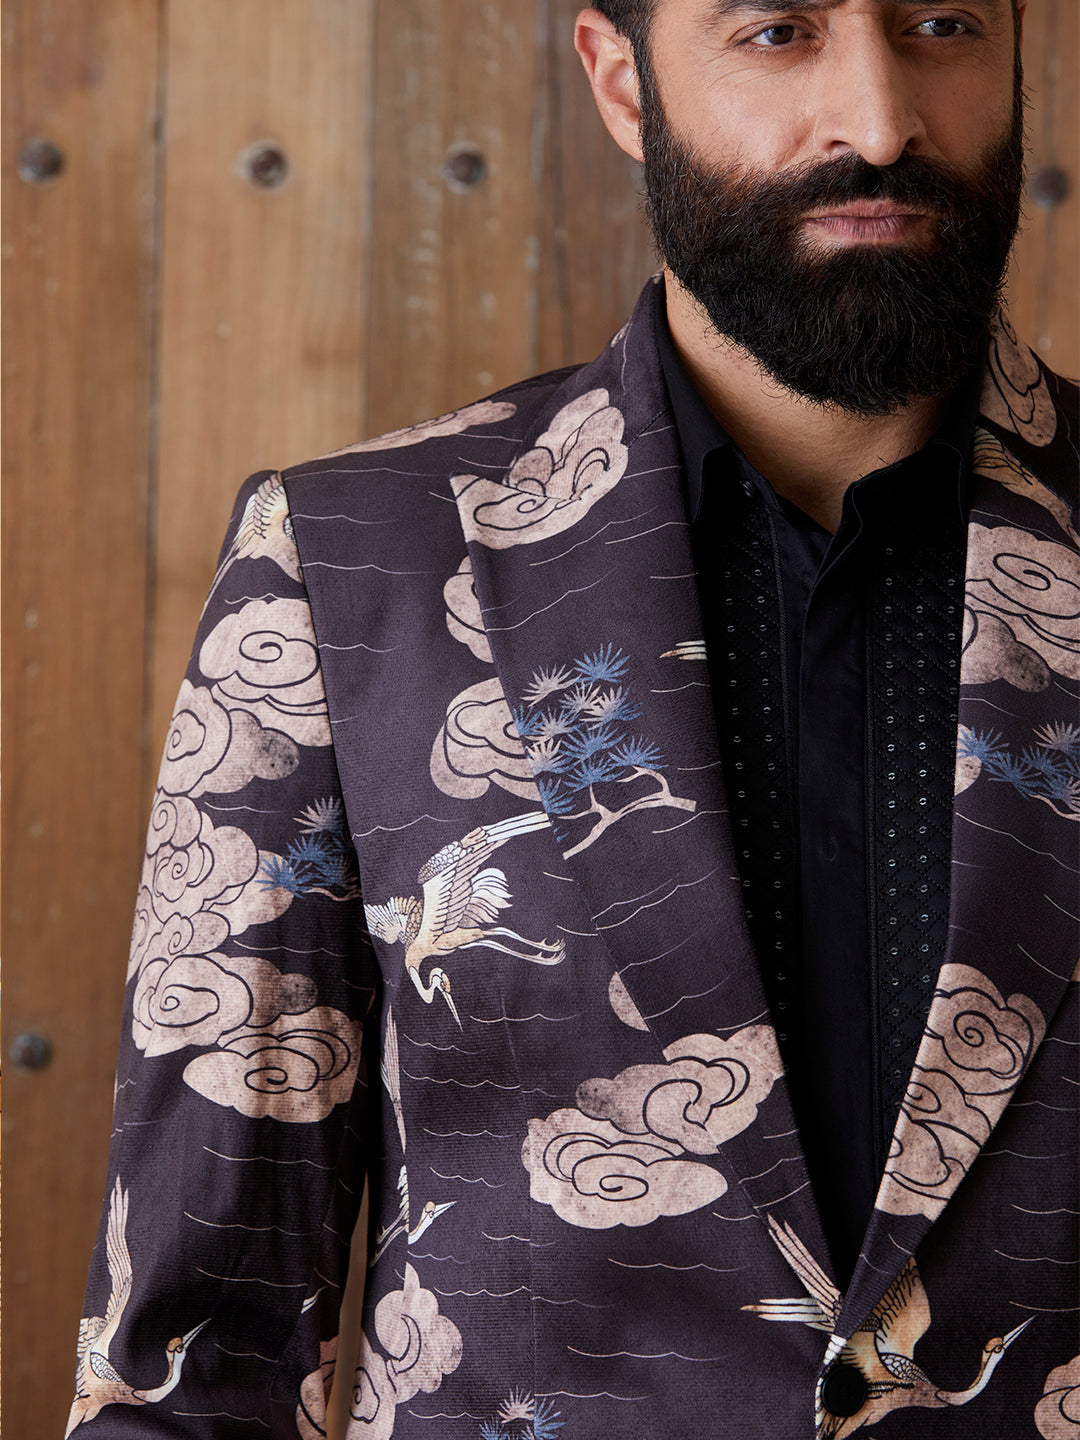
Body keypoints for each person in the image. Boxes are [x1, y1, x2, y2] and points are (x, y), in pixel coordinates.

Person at [70, 3, 1078, 1437]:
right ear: (620, 81)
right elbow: (189, 1358)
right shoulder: (342, 564)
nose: (878, 120)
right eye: (778, 30)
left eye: (940, 22)